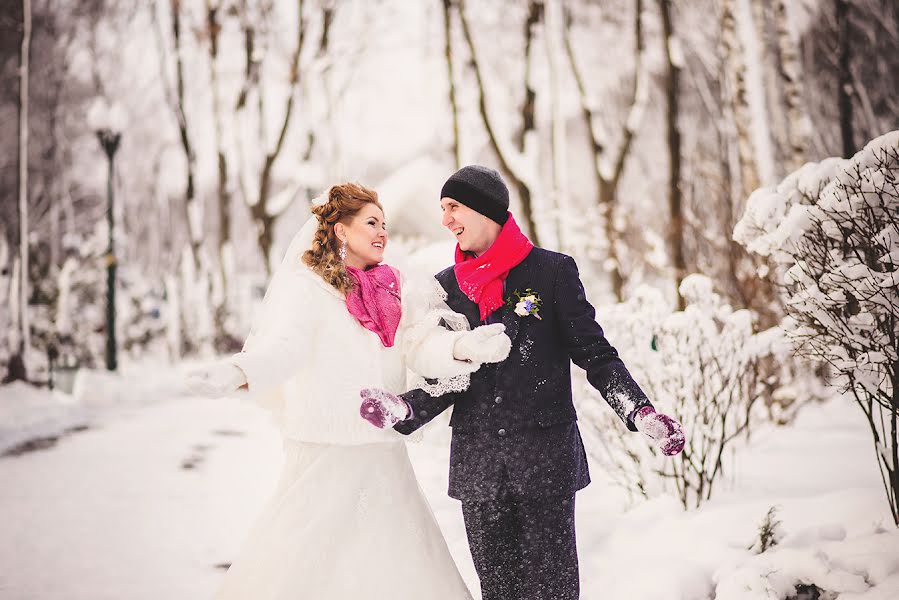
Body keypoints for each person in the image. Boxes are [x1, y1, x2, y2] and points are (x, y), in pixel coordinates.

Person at [360, 165, 685, 600]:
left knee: (553, 592)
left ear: (486, 209)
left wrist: (637, 409)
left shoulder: (551, 272)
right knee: (499, 593)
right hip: (479, 468)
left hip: (544, 462)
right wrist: (406, 409)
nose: (446, 219)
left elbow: (595, 353)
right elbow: (451, 375)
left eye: (454, 207)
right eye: (442, 209)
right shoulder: (445, 289)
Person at [187, 182, 512, 600]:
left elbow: (418, 343)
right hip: (327, 451)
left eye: (385, 224)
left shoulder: (395, 285)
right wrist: (237, 371)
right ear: (340, 230)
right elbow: (285, 350)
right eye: (371, 223)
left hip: (382, 453)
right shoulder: (310, 288)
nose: (382, 233)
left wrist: (461, 346)